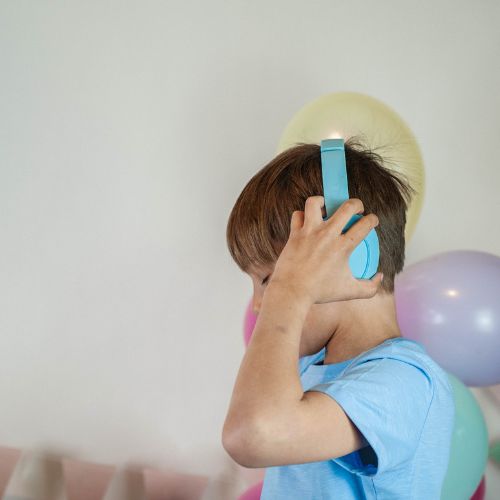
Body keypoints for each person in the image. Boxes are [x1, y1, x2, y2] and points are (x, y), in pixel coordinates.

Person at [221, 139, 455, 499]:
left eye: (270, 279)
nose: (257, 306)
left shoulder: (404, 382)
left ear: (355, 258)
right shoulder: (307, 369)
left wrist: (290, 291)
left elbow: (251, 436)